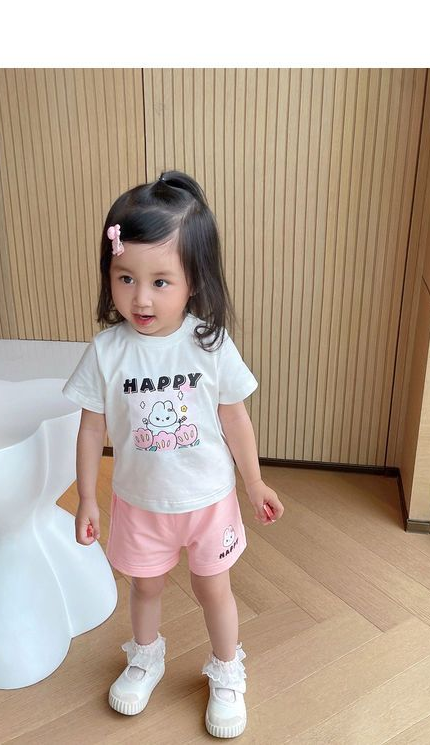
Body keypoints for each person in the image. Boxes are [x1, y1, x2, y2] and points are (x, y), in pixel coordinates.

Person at [62, 170, 284, 739]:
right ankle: (145, 657)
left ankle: (227, 670)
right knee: (145, 587)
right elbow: (90, 429)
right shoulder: (106, 352)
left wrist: (255, 483)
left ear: (194, 282)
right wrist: (86, 498)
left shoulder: (210, 344)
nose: (140, 297)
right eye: (125, 278)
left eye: (161, 281)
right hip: (140, 504)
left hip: (209, 501)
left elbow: (235, 418)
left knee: (215, 589)